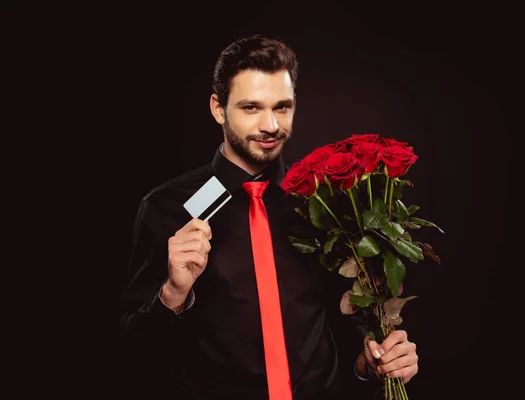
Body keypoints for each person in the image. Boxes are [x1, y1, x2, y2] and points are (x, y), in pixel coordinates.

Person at [119, 34, 419, 400]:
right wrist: (173, 294)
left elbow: (346, 319)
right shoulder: (166, 207)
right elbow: (133, 351)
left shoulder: (324, 203)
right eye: (251, 108)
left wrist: (373, 360)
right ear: (218, 108)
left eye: (282, 107)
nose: (271, 126)